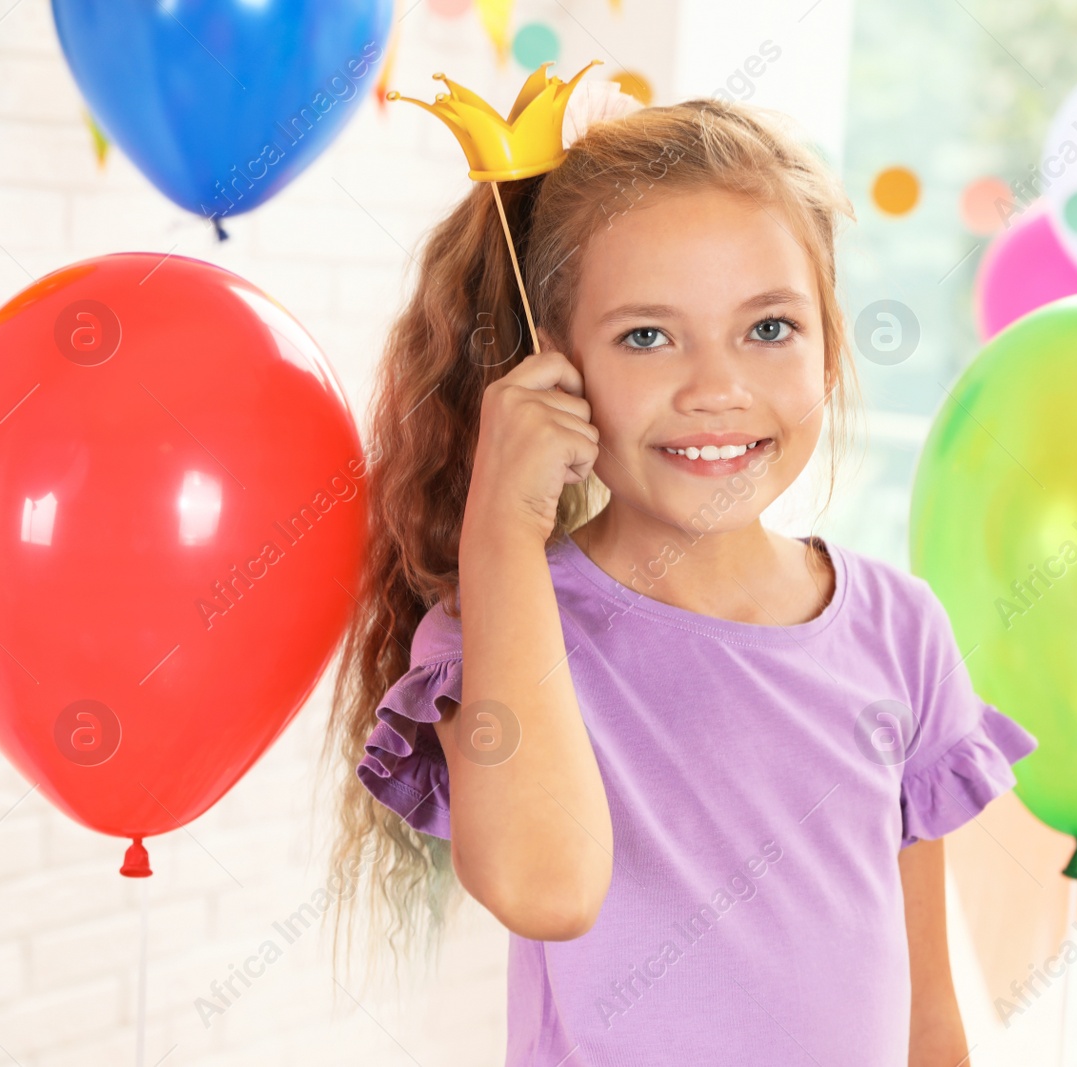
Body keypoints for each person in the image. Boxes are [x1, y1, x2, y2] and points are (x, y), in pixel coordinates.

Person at [323, 90, 1038, 1066]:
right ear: (556, 374)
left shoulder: (900, 629)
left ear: (829, 345)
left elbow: (925, 1015)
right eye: (647, 336)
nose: (716, 388)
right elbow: (547, 885)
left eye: (770, 328)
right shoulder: (498, 630)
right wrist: (501, 520)